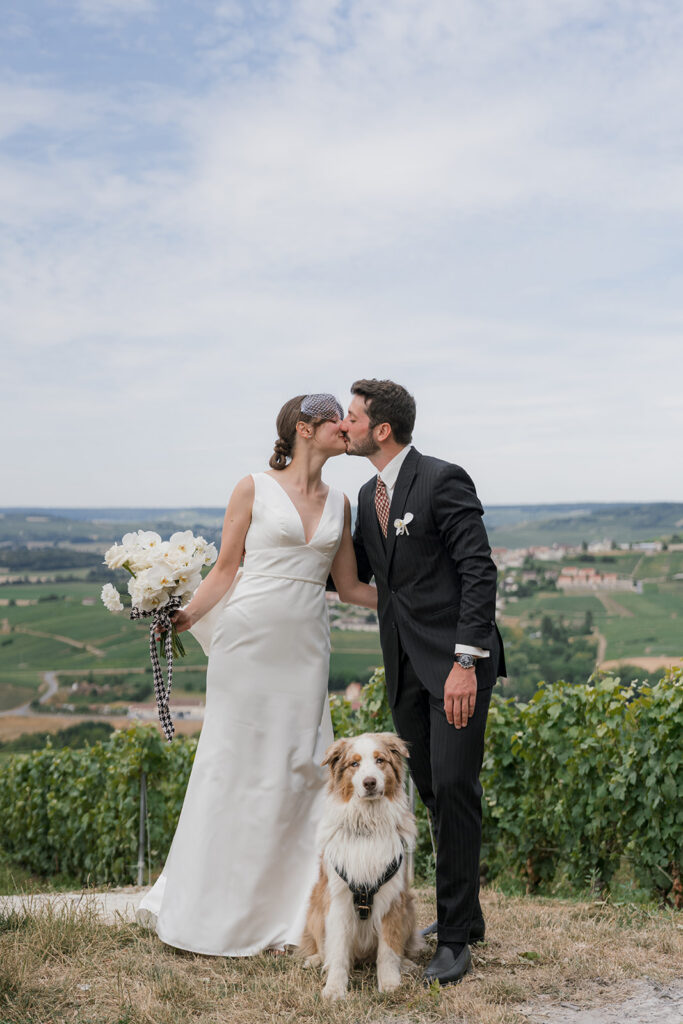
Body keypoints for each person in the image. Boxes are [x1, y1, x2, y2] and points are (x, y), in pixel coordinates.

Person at [137, 393, 377, 956]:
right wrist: (186, 615)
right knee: (234, 765)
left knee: (300, 770)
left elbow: (349, 588)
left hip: (306, 651)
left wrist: (417, 600)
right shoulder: (252, 487)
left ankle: (293, 914)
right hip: (246, 646)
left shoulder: (342, 502)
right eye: (335, 418)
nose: (345, 425)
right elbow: (225, 570)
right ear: (304, 428)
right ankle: (212, 910)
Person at [341, 378, 506, 986]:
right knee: (434, 791)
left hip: (457, 667)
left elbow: (478, 571)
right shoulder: (367, 495)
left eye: (353, 417)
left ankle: (456, 939)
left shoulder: (442, 479)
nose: (345, 425)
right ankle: (470, 915)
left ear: (382, 429)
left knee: (457, 787)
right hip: (405, 668)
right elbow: (355, 570)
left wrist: (465, 663)